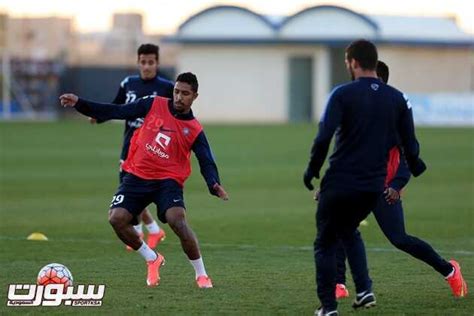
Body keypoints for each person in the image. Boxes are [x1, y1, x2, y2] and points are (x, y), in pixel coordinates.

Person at [60, 72, 229, 288]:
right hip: (137, 176)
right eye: (176, 91)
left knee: (178, 221)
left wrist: (213, 184)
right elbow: (117, 110)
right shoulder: (153, 104)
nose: (179, 97)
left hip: (168, 181)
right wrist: (80, 103)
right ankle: (152, 258)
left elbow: (206, 159)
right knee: (116, 219)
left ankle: (201, 274)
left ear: (194, 96)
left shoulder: (194, 129)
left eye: (185, 94)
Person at [303, 39, 428, 316]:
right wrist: (416, 166)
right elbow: (411, 144)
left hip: (341, 181)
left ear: (353, 62)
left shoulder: (342, 94)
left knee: (324, 242)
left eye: (348, 62)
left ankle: (328, 307)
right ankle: (364, 289)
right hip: (373, 185)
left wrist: (312, 169)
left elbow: (324, 136)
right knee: (348, 231)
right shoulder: (398, 98)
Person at [332, 61, 467, 301]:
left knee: (400, 239)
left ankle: (449, 270)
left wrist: (396, 185)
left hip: (384, 190)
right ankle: (339, 284)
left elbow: (408, 159)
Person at [91, 43, 173, 251]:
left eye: (151, 62)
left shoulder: (167, 87)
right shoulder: (128, 83)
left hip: (152, 151)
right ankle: (152, 230)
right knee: (131, 192)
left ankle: (142, 232)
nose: (147, 66)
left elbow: (175, 117)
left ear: (157, 63)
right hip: (129, 149)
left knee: (136, 192)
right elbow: (117, 108)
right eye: (143, 62)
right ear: (138, 63)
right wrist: (99, 117)